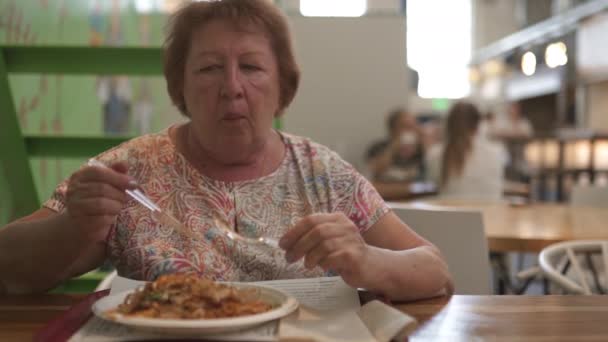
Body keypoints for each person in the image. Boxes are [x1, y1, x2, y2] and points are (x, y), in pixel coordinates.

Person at [0, 0, 451, 301]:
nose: (231, 88)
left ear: (283, 87)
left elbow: (435, 270)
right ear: (181, 87)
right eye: (210, 68)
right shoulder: (131, 169)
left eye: (251, 67)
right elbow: (11, 268)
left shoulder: (321, 173)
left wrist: (369, 262)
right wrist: (73, 227)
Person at [426, 102, 507, 200]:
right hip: (491, 213)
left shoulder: (434, 154)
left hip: (450, 214)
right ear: (478, 125)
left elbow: (431, 182)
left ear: (448, 125)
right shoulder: (497, 152)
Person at [366, 109, 426, 200]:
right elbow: (374, 172)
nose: (410, 130)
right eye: (405, 126)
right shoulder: (378, 147)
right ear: (393, 128)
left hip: (411, 200)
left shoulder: (419, 151)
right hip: (383, 200)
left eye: (413, 126)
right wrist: (394, 146)